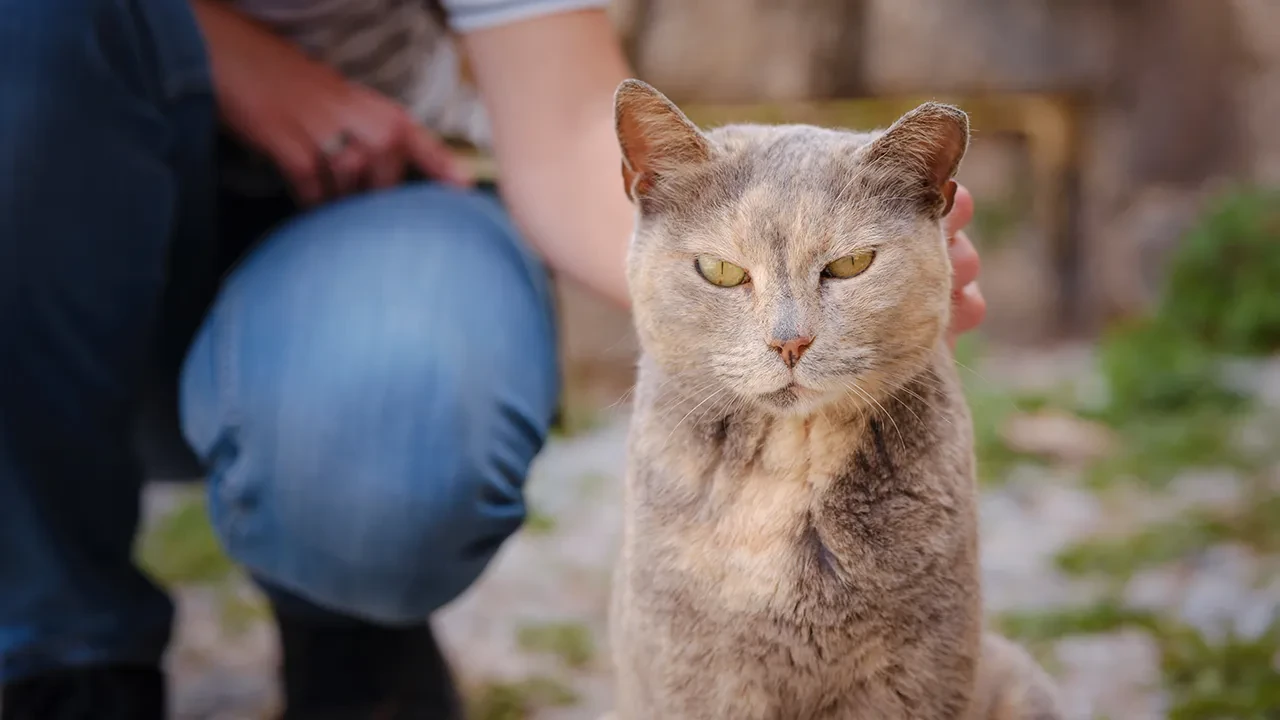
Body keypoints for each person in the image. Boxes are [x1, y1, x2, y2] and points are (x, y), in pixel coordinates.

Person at [0, 0, 987, 717]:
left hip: (377, 194)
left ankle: (343, 612)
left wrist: (799, 275)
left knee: (393, 449)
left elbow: (565, 119)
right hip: (36, 239)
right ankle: (60, 651)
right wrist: (239, 60)